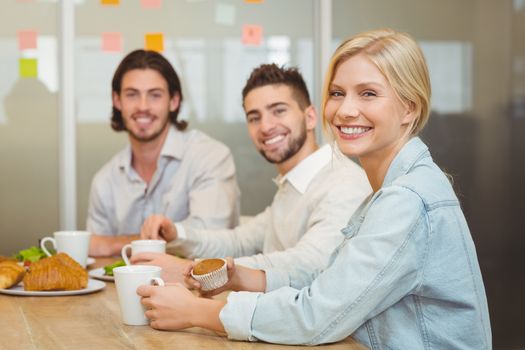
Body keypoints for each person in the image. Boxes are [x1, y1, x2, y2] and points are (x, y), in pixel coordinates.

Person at [137, 29, 492, 349]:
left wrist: (198, 313)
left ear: (409, 108)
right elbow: (330, 279)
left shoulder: (406, 200)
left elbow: (316, 314)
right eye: (337, 93)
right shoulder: (389, 189)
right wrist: (239, 277)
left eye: (368, 93)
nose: (346, 110)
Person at [133, 64, 371, 287]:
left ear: (310, 117)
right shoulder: (294, 185)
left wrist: (192, 269)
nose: (266, 126)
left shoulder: (343, 184)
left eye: (278, 111)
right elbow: (239, 242)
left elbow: (309, 264)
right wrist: (176, 233)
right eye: (254, 117)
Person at [87, 49, 240, 257]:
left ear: (174, 101)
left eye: (155, 95)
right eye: (132, 94)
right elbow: (94, 250)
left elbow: (210, 241)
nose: (143, 106)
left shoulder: (209, 157)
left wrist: (115, 244)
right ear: (117, 101)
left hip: (197, 289)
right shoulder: (105, 179)